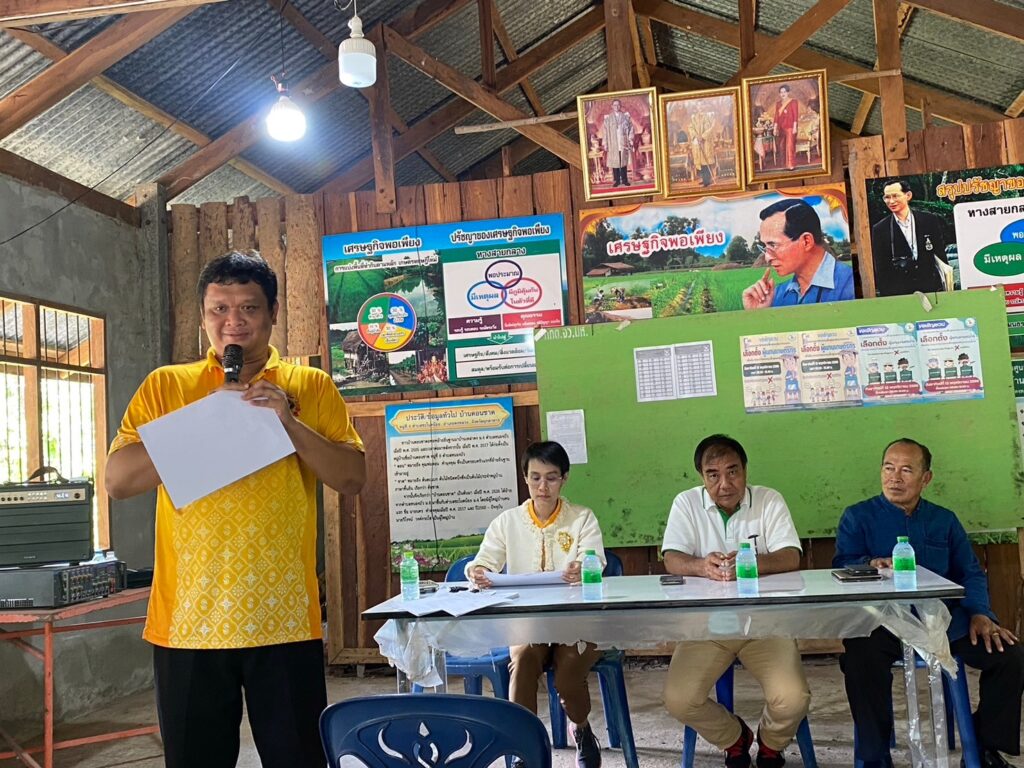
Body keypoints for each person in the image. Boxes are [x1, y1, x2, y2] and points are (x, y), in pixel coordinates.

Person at [105, 251, 366, 768]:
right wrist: (206, 419)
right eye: (219, 309)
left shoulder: (309, 386)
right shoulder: (167, 386)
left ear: (272, 313)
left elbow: (352, 478)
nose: (233, 322)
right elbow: (118, 481)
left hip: (285, 620)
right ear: (202, 317)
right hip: (188, 624)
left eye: (248, 308)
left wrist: (287, 422)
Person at [834, 439, 1024, 768]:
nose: (895, 477)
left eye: (906, 470)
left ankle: (983, 749)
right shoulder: (858, 516)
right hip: (882, 621)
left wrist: (981, 614)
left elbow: (970, 572)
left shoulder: (943, 520)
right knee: (860, 661)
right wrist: (869, 565)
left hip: (944, 623)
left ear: (926, 478)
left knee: (1010, 655)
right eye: (888, 468)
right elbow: (842, 565)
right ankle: (875, 758)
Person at [662, 435, 810, 768]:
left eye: (733, 471)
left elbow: (790, 555)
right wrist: (702, 566)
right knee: (679, 699)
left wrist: (752, 563)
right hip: (707, 626)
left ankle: (771, 743)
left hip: (765, 624)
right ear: (701, 476)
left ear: (745, 470)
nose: (725, 484)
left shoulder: (768, 500)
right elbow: (672, 558)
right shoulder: (686, 503)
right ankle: (735, 737)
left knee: (793, 698)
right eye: (713, 474)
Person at [466, 441, 605, 768]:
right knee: (524, 660)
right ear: (525, 478)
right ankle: (523, 748)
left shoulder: (581, 518)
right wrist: (479, 571)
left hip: (576, 621)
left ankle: (581, 728)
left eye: (552, 478)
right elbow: (484, 560)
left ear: (564, 478)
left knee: (569, 673)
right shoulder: (508, 522)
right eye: (536, 478)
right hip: (527, 622)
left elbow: (595, 559)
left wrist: (583, 567)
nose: (543, 487)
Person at [742, 199, 855, 309]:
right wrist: (758, 314)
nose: (767, 258)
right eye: (765, 247)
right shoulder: (775, 296)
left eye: (773, 245)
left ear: (806, 241)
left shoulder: (851, 285)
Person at [871, 180, 949, 296]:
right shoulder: (880, 229)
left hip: (931, 289)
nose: (891, 201)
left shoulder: (929, 220)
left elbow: (941, 256)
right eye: (887, 197)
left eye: (895, 196)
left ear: (908, 195)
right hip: (900, 292)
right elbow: (881, 269)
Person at [601, 99, 635, 187]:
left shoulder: (625, 117)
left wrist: (630, 139)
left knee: (623, 161)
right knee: (615, 162)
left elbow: (631, 128)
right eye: (615, 105)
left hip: (623, 143)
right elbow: (605, 132)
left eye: (618, 105)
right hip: (613, 143)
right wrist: (605, 143)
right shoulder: (608, 119)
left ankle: (624, 180)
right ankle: (616, 181)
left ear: (620, 106)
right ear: (612, 106)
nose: (617, 107)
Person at [773, 85, 800, 170]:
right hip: (781, 127)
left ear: (788, 92)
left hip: (790, 127)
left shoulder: (793, 102)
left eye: (784, 92)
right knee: (781, 146)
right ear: (779, 94)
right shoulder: (778, 104)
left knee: (789, 146)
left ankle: (790, 165)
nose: (783, 94)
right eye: (781, 92)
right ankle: (784, 164)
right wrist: (775, 128)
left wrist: (795, 127)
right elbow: (776, 116)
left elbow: (795, 115)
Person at [689, 109, 717, 187]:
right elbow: (691, 128)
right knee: (700, 163)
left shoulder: (709, 117)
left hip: (706, 143)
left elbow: (711, 128)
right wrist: (696, 136)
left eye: (701, 106)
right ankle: (704, 179)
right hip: (698, 143)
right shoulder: (694, 118)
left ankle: (707, 181)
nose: (700, 109)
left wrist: (703, 137)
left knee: (706, 162)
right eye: (698, 107)